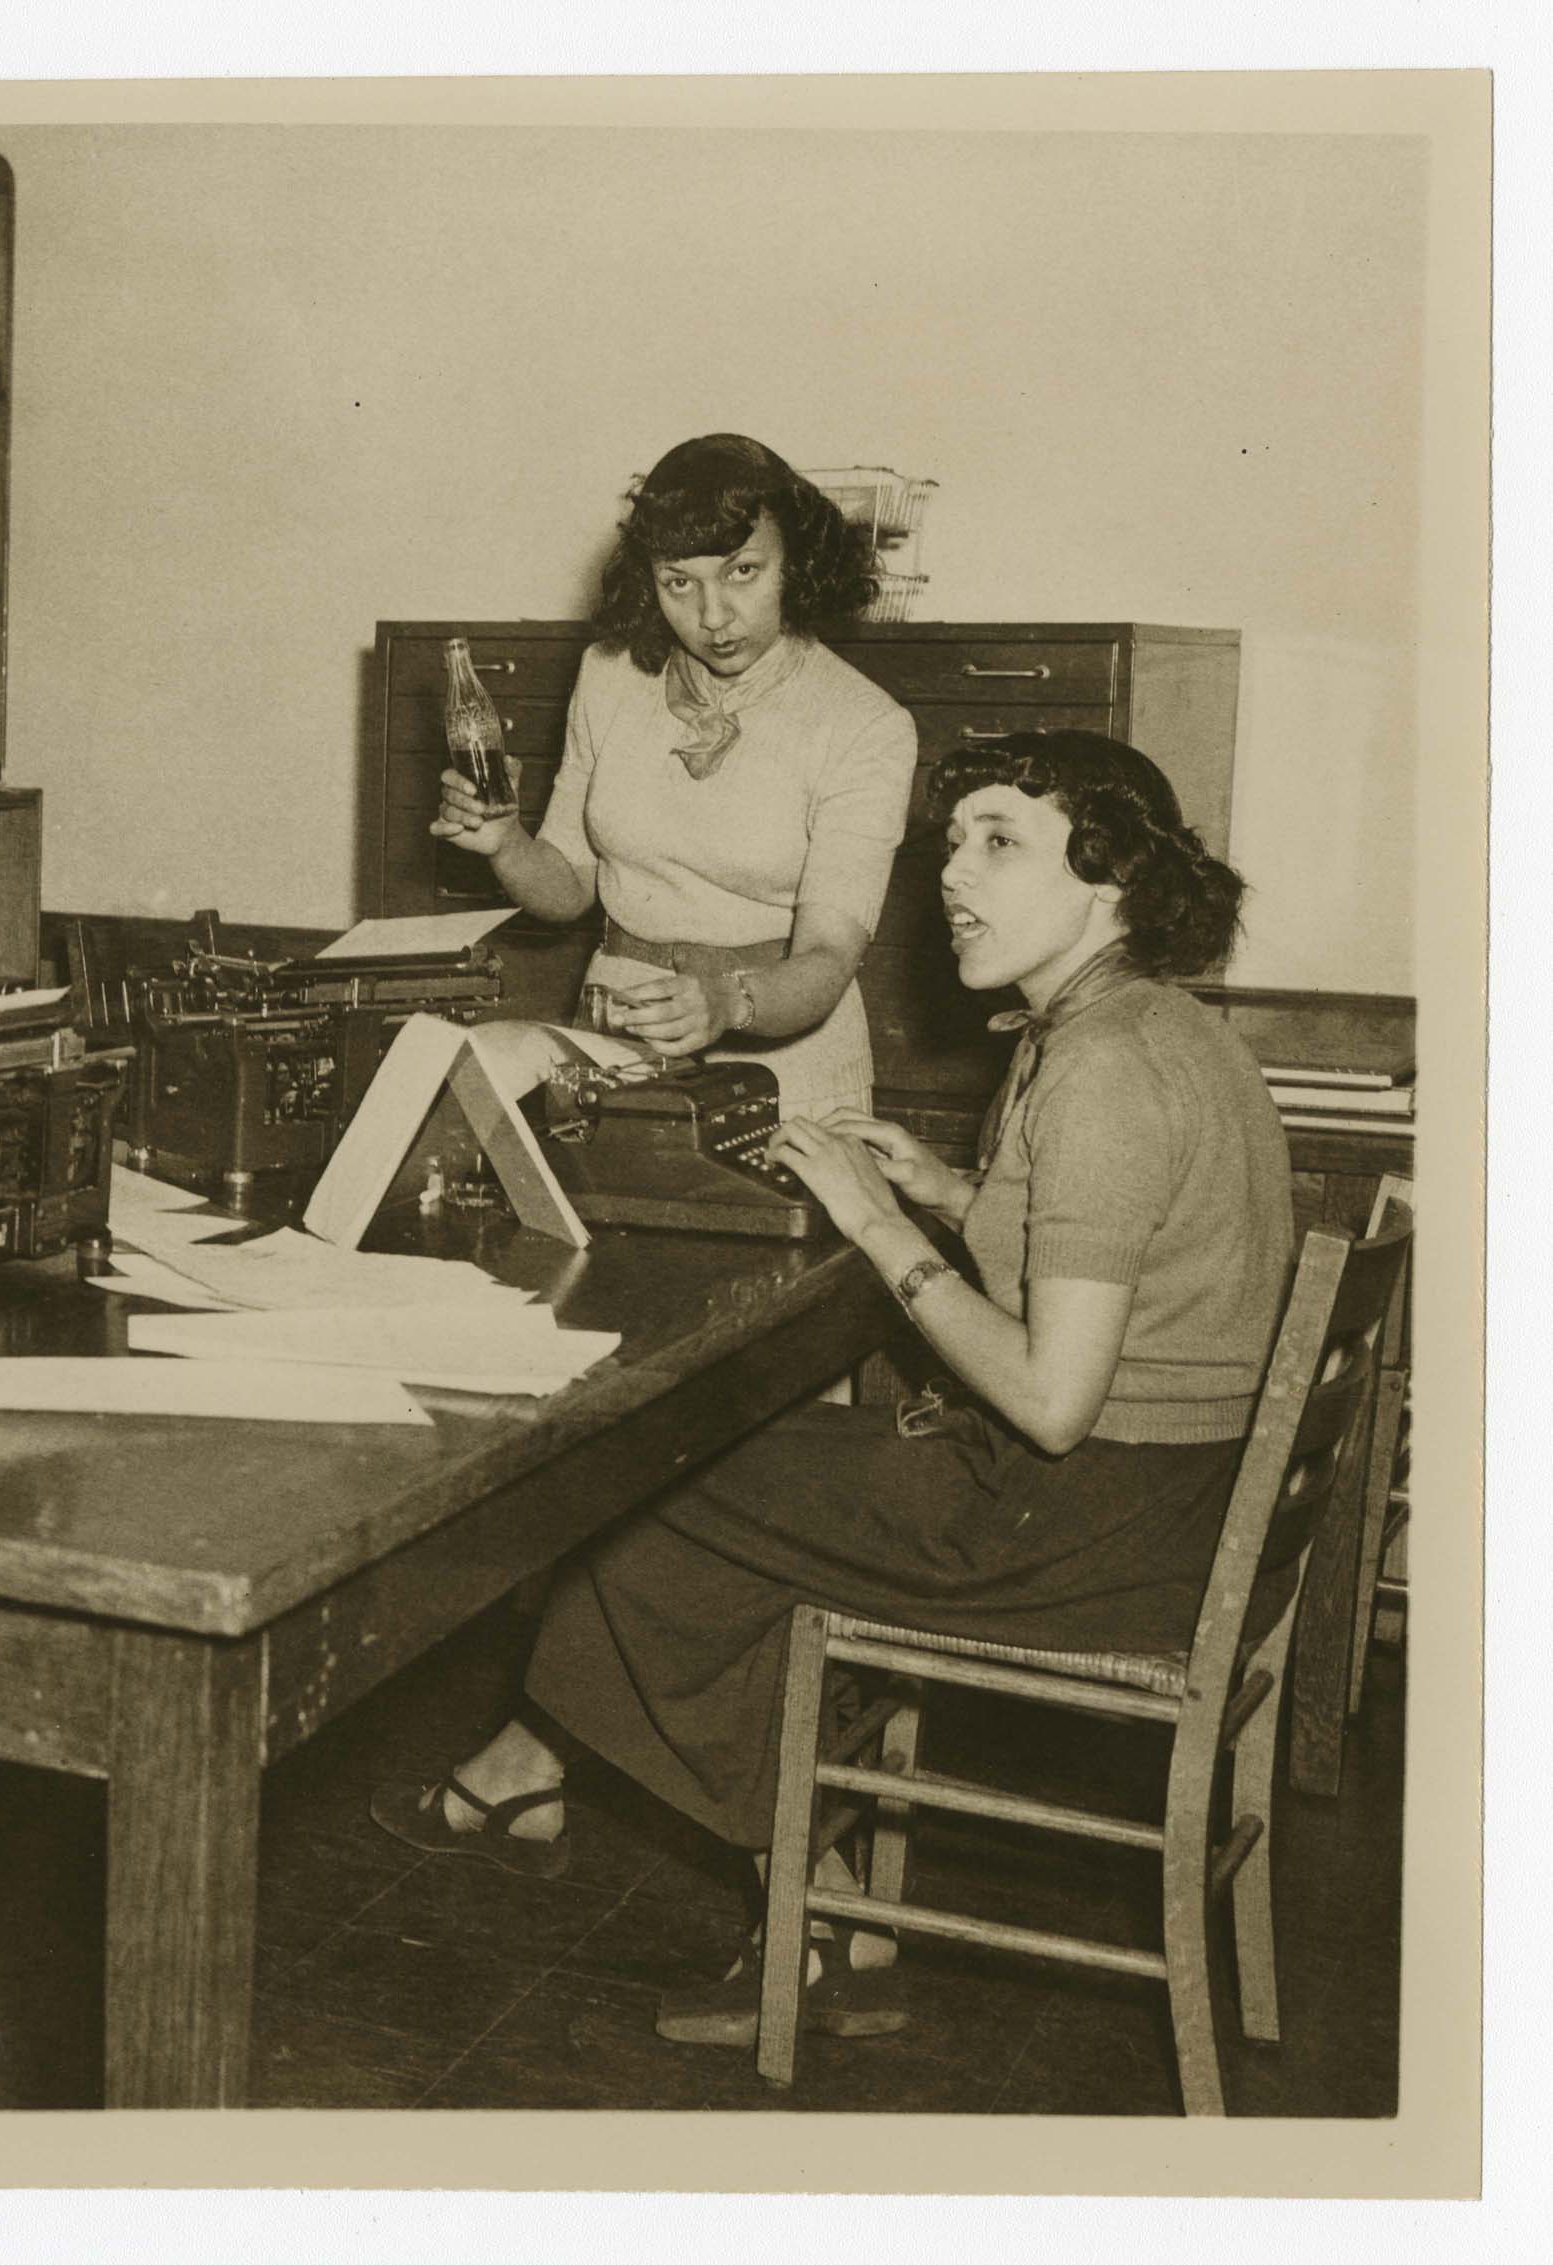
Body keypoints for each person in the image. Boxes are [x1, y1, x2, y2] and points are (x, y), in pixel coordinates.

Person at [376, 730, 1292, 2048]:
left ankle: (813, 1913)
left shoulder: (1094, 1070)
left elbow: (1046, 1401)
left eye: (999, 843)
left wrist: (877, 1223)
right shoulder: (1147, 1024)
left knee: (635, 1480)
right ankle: (807, 1898)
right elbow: (1113, 1257)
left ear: (1110, 883)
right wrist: (943, 1185)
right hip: (1174, 1508)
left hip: (1081, 1524)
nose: (952, 878)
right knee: (738, 1489)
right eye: (949, 842)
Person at [433, 433, 915, 1119]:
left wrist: (726, 1000)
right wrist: (506, 843)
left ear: (794, 564)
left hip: (784, 1064)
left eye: (742, 571)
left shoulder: (862, 722)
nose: (712, 616)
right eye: (678, 582)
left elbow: (828, 956)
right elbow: (567, 888)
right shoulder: (609, 675)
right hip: (616, 1026)